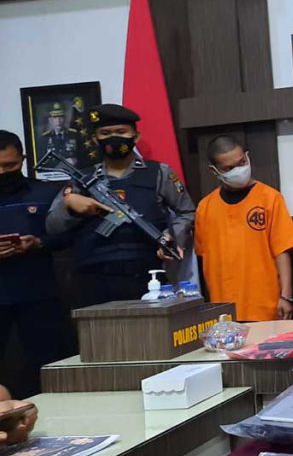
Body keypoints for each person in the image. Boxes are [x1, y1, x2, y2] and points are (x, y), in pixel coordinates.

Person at [46, 104, 195, 307]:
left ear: (136, 136)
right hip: (93, 278)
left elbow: (187, 211)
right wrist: (69, 206)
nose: (114, 138)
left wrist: (172, 236)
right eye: (105, 133)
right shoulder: (82, 179)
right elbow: (52, 226)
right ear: (94, 139)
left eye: (121, 132)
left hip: (148, 276)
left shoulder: (159, 173)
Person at [195, 135, 293, 321]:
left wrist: (286, 296)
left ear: (247, 157)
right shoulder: (205, 207)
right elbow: (204, 257)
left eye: (241, 162)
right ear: (214, 171)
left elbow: (282, 251)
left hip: (264, 306)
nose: (238, 170)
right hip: (223, 309)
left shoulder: (270, 198)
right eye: (229, 168)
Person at [0, 131, 70, 397]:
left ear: (23, 159)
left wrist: (38, 243)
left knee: (48, 363)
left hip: (38, 293)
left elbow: (68, 236)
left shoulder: (46, 193)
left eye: (9, 165)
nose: (2, 172)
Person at [40, 102, 85, 166]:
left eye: (61, 117)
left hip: (73, 169)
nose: (58, 121)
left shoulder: (74, 135)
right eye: (55, 118)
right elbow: (41, 160)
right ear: (50, 120)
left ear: (65, 119)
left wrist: (76, 160)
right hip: (53, 170)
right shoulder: (45, 138)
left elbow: (83, 155)